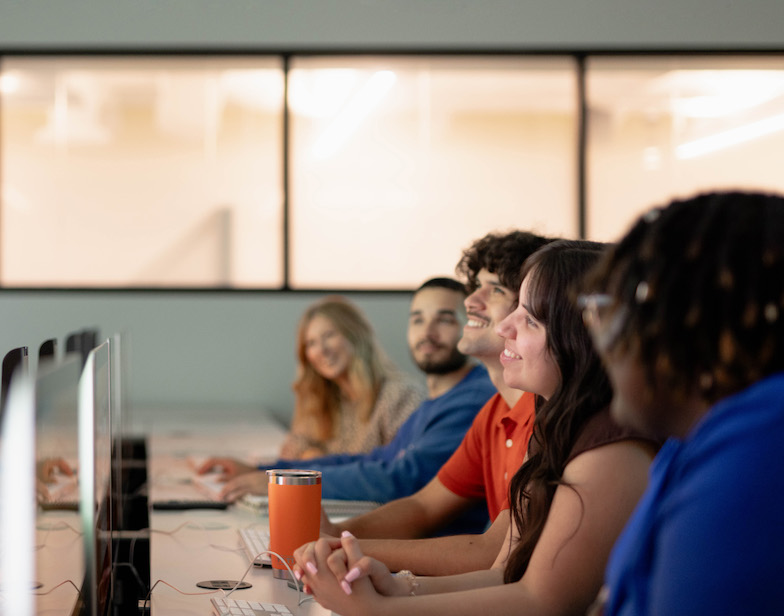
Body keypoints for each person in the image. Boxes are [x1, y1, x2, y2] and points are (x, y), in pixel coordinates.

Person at [296, 239, 657, 616]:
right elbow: (504, 572)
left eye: (530, 318)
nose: (505, 327)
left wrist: (374, 609)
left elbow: (542, 602)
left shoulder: (611, 449)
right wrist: (398, 588)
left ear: (579, 338)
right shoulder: (554, 425)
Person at [582, 192, 784, 615]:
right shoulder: (688, 440)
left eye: (606, 309)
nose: (597, 334)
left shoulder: (760, 445)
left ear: (681, 321)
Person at [322, 230, 553, 575]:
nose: (471, 301)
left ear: (530, 308)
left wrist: (342, 547)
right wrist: (332, 536)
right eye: (476, 286)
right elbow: (423, 506)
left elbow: (494, 554)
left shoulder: (545, 418)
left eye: (496, 290)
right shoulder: (493, 411)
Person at [200, 278, 495, 520]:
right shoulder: (436, 403)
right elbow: (374, 460)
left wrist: (287, 482)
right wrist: (269, 472)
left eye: (444, 320)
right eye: (417, 320)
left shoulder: (468, 399)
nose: (427, 333)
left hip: (421, 549)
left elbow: (399, 479)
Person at [277, 295, 424, 460]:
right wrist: (311, 454)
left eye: (329, 335)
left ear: (356, 335)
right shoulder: (319, 397)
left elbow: (401, 468)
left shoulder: (401, 394)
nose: (321, 350)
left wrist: (322, 463)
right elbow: (293, 446)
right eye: (311, 343)